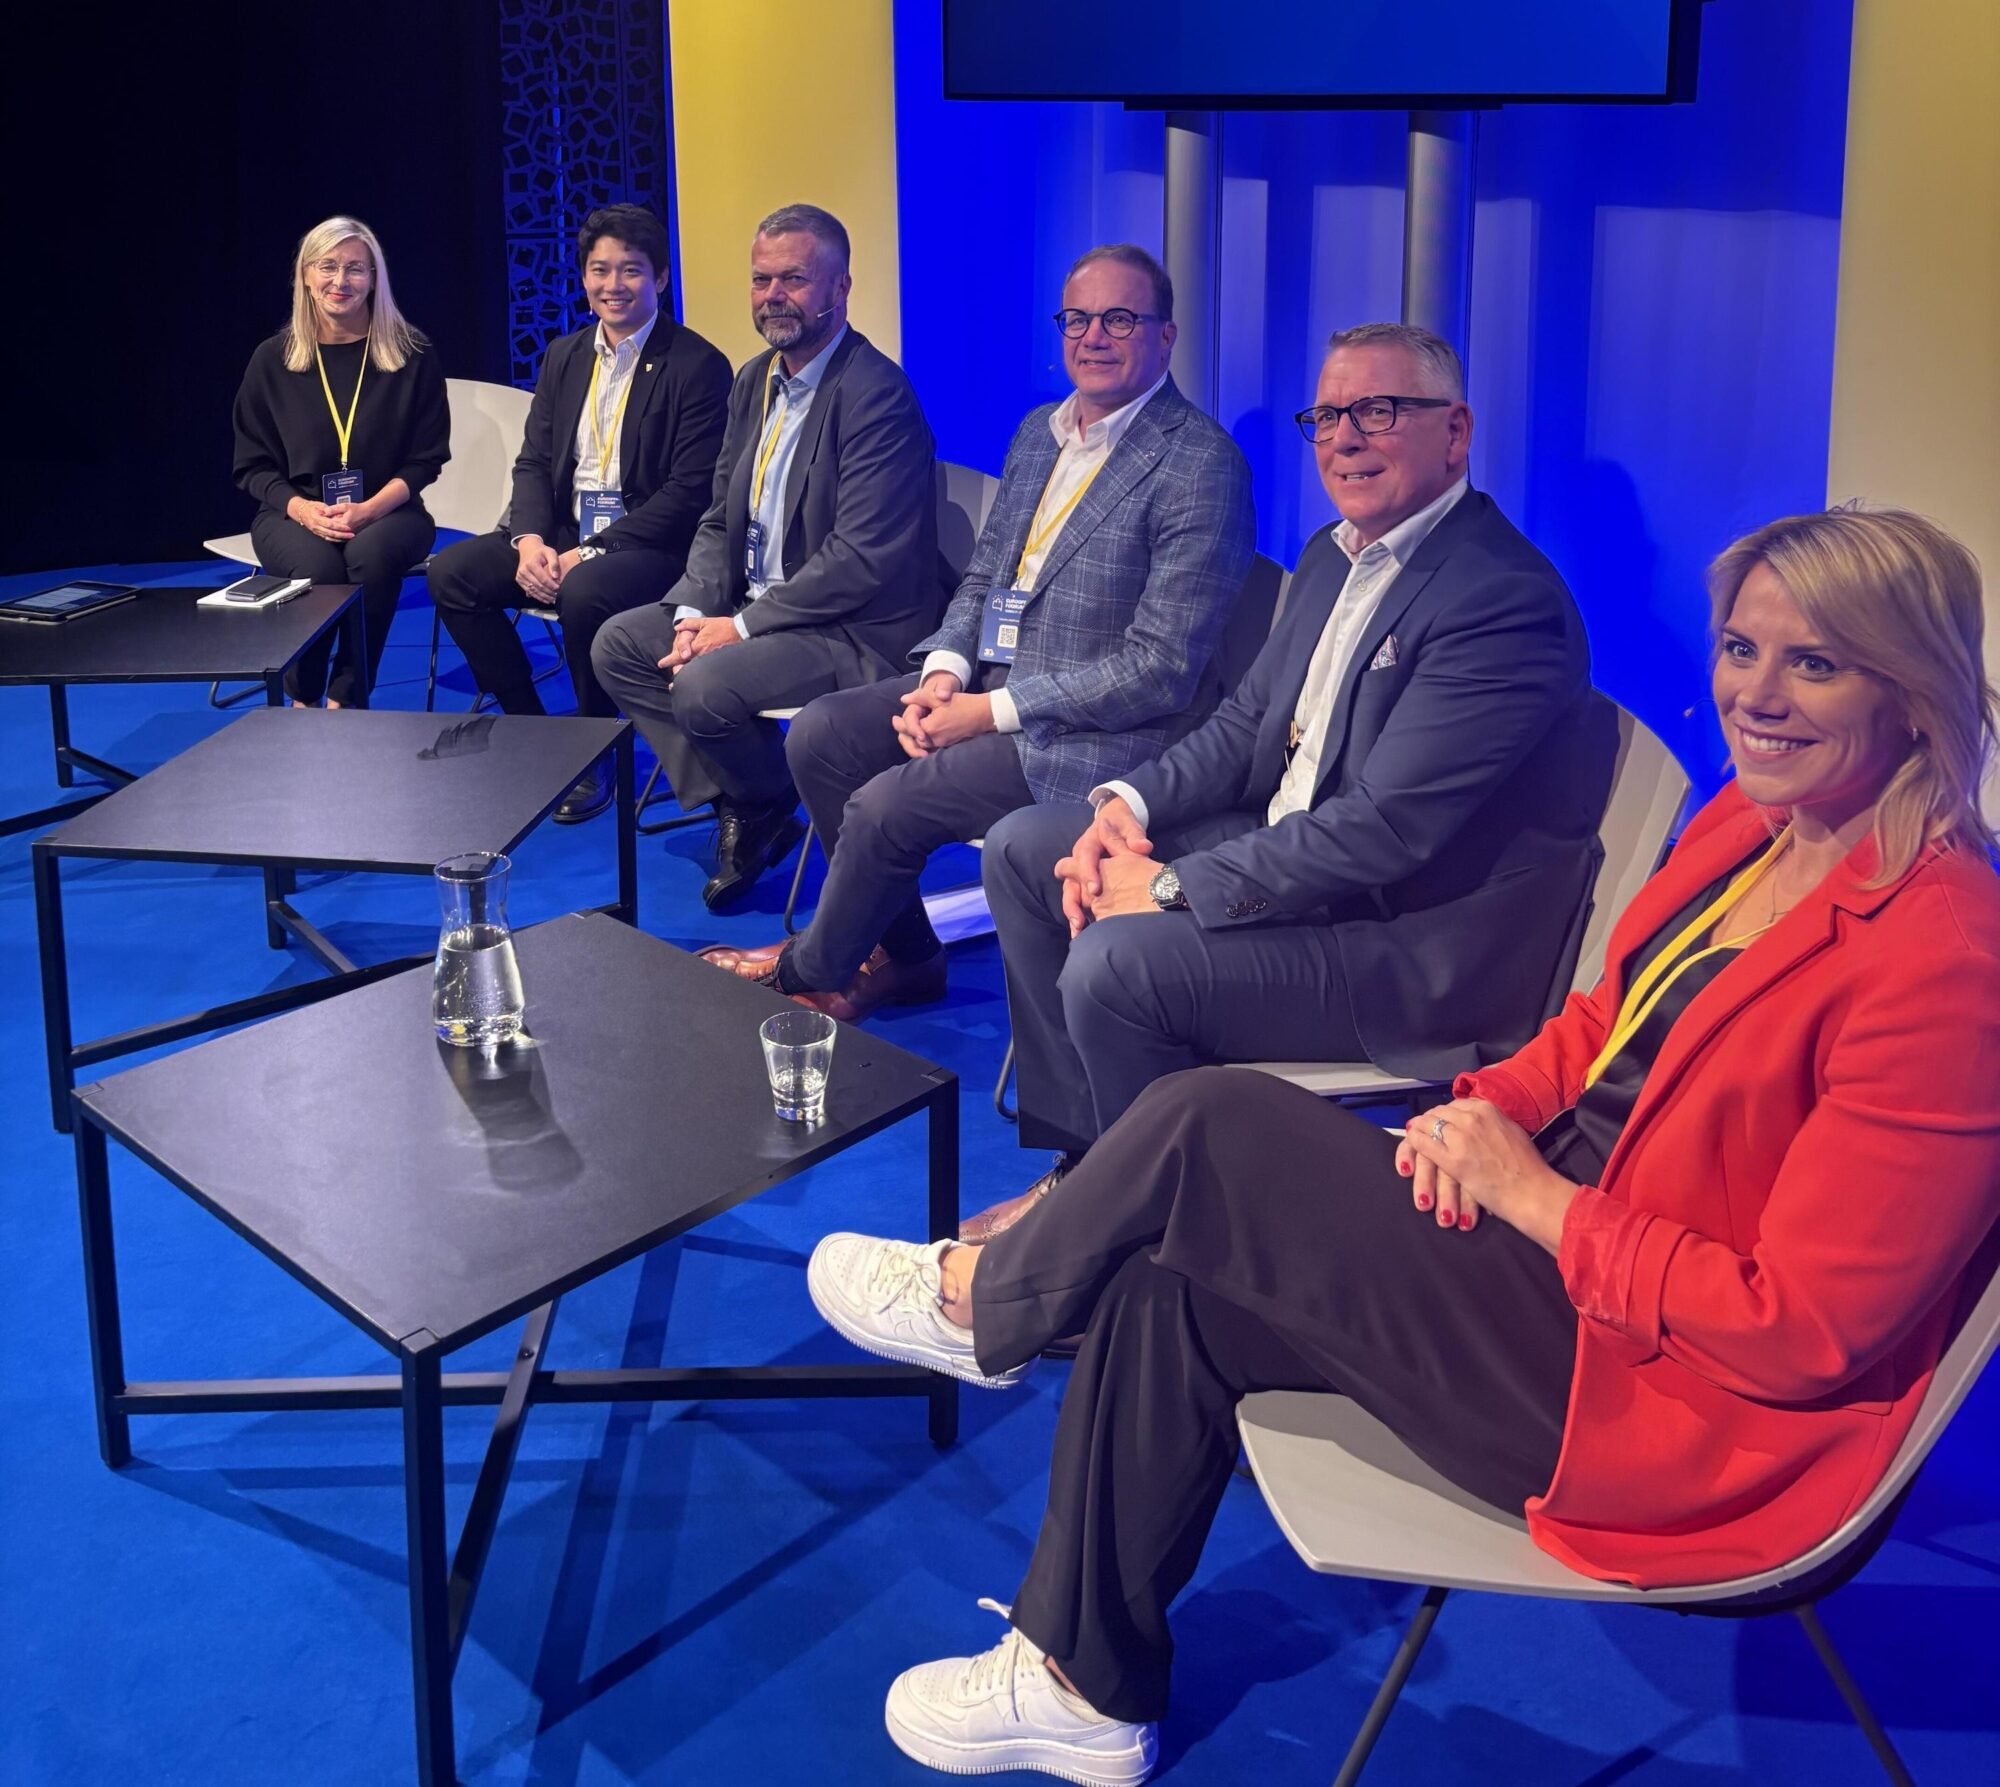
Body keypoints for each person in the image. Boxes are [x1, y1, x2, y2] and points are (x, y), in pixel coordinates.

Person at [807, 505, 2000, 1784]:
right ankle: (1079, 1684)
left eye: (1812, 662)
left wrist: (1535, 1198)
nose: (1754, 694)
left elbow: (1798, 1329)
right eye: (1739, 648)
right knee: (1172, 1267)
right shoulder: (1758, 823)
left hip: (1664, 1400)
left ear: (1910, 690)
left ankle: (990, 1303)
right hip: (1559, 1255)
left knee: (1214, 1117)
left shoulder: (1944, 963)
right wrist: (1479, 1111)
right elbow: (1597, 1023)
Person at [965, 320, 1614, 1241]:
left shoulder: (1502, 600)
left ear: (1456, 431)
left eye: (1379, 411)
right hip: (1295, 866)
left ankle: (1160, 1243)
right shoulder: (1329, 555)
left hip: (1401, 947)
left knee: (1117, 967)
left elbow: (1382, 829)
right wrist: (1122, 809)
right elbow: (1245, 726)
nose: (1344, 438)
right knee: (1028, 846)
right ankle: (1096, 1167)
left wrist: (1167, 886)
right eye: (1328, 416)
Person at [696, 244, 1255, 1018]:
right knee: (821, 735)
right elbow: (987, 574)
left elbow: (1161, 669)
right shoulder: (1040, 432)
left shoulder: (1200, 464)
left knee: (884, 807)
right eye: (1077, 319)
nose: (1093, 336)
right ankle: (907, 957)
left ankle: (812, 967)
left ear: (1166, 335)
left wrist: (988, 712)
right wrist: (945, 674)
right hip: (989, 684)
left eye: (1120, 319)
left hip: (1098, 737)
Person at [591, 204, 943, 910]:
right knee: (620, 645)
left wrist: (739, 629)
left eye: (794, 279)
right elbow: (721, 516)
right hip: (756, 606)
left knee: (702, 688)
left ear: (841, 288)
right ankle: (756, 797)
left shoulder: (877, 395)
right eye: (761, 280)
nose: (773, 295)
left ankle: (761, 795)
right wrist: (693, 612)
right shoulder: (754, 379)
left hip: (849, 627)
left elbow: (859, 559)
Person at [429, 204, 730, 822]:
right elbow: (534, 462)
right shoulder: (565, 355)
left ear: (661, 277)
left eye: (631, 270)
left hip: (650, 544)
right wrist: (529, 540)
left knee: (585, 589)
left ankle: (594, 749)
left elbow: (687, 494)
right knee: (452, 574)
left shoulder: (698, 365)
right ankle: (538, 733)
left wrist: (585, 553)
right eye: (600, 270)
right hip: (565, 532)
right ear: (584, 276)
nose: (613, 285)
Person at [231, 216, 448, 706]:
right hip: (293, 512)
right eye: (327, 266)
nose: (340, 280)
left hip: (390, 510)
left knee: (371, 556)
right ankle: (304, 695)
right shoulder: (273, 359)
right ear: (306, 276)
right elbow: (252, 465)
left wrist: (369, 510)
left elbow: (426, 459)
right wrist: (303, 510)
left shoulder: (411, 354)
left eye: (355, 268)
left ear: (374, 278)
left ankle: (347, 698)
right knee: (318, 568)